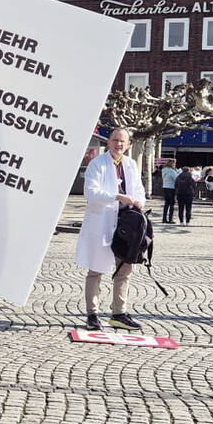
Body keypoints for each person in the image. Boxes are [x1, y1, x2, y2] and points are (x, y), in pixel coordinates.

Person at [76, 128, 145, 331]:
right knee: (96, 269)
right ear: (109, 142)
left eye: (123, 141)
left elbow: (140, 191)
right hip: (103, 222)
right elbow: (91, 192)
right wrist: (117, 196)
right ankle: (92, 314)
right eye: (115, 140)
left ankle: (118, 313)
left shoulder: (131, 165)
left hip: (126, 224)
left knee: (125, 268)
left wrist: (139, 202)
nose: (119, 144)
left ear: (129, 144)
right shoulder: (97, 164)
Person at [160, 158, 178, 224]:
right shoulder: (172, 171)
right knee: (172, 204)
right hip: (171, 188)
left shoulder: (164, 170)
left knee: (166, 204)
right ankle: (170, 219)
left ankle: (164, 218)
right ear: (172, 164)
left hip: (165, 187)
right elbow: (176, 179)